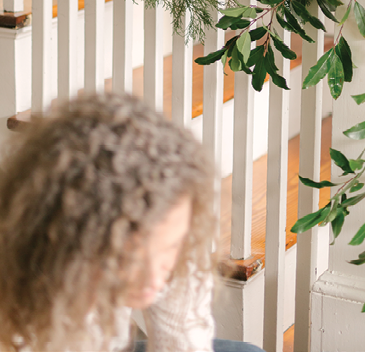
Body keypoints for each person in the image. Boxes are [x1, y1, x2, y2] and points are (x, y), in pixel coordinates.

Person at [0, 93, 264, 352]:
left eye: (170, 248)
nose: (154, 280)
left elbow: (183, 342)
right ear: (75, 237)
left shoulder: (165, 230)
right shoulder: (23, 295)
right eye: (132, 259)